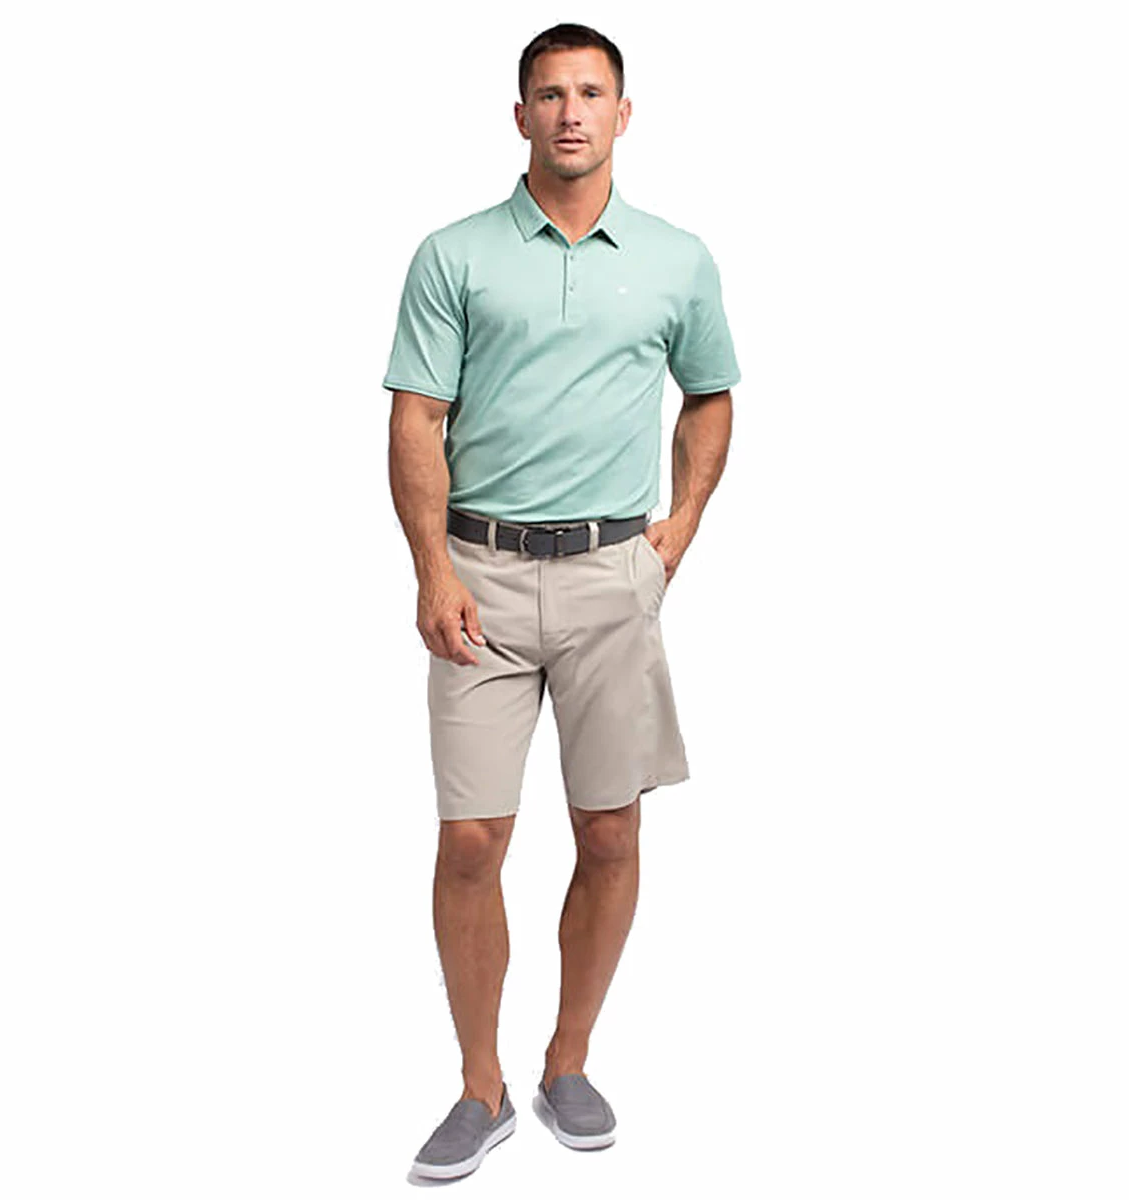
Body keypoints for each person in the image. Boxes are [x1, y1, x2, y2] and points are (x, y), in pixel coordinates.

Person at [383, 23, 741, 1181]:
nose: (571, 112)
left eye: (591, 93)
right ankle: (479, 1086)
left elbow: (710, 394)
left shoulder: (678, 258)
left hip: (611, 579)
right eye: (550, 94)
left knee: (611, 829)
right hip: (478, 578)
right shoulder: (455, 254)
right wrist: (432, 570)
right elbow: (416, 419)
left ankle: (568, 1063)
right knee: (472, 838)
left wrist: (679, 528)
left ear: (623, 114)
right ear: (520, 115)